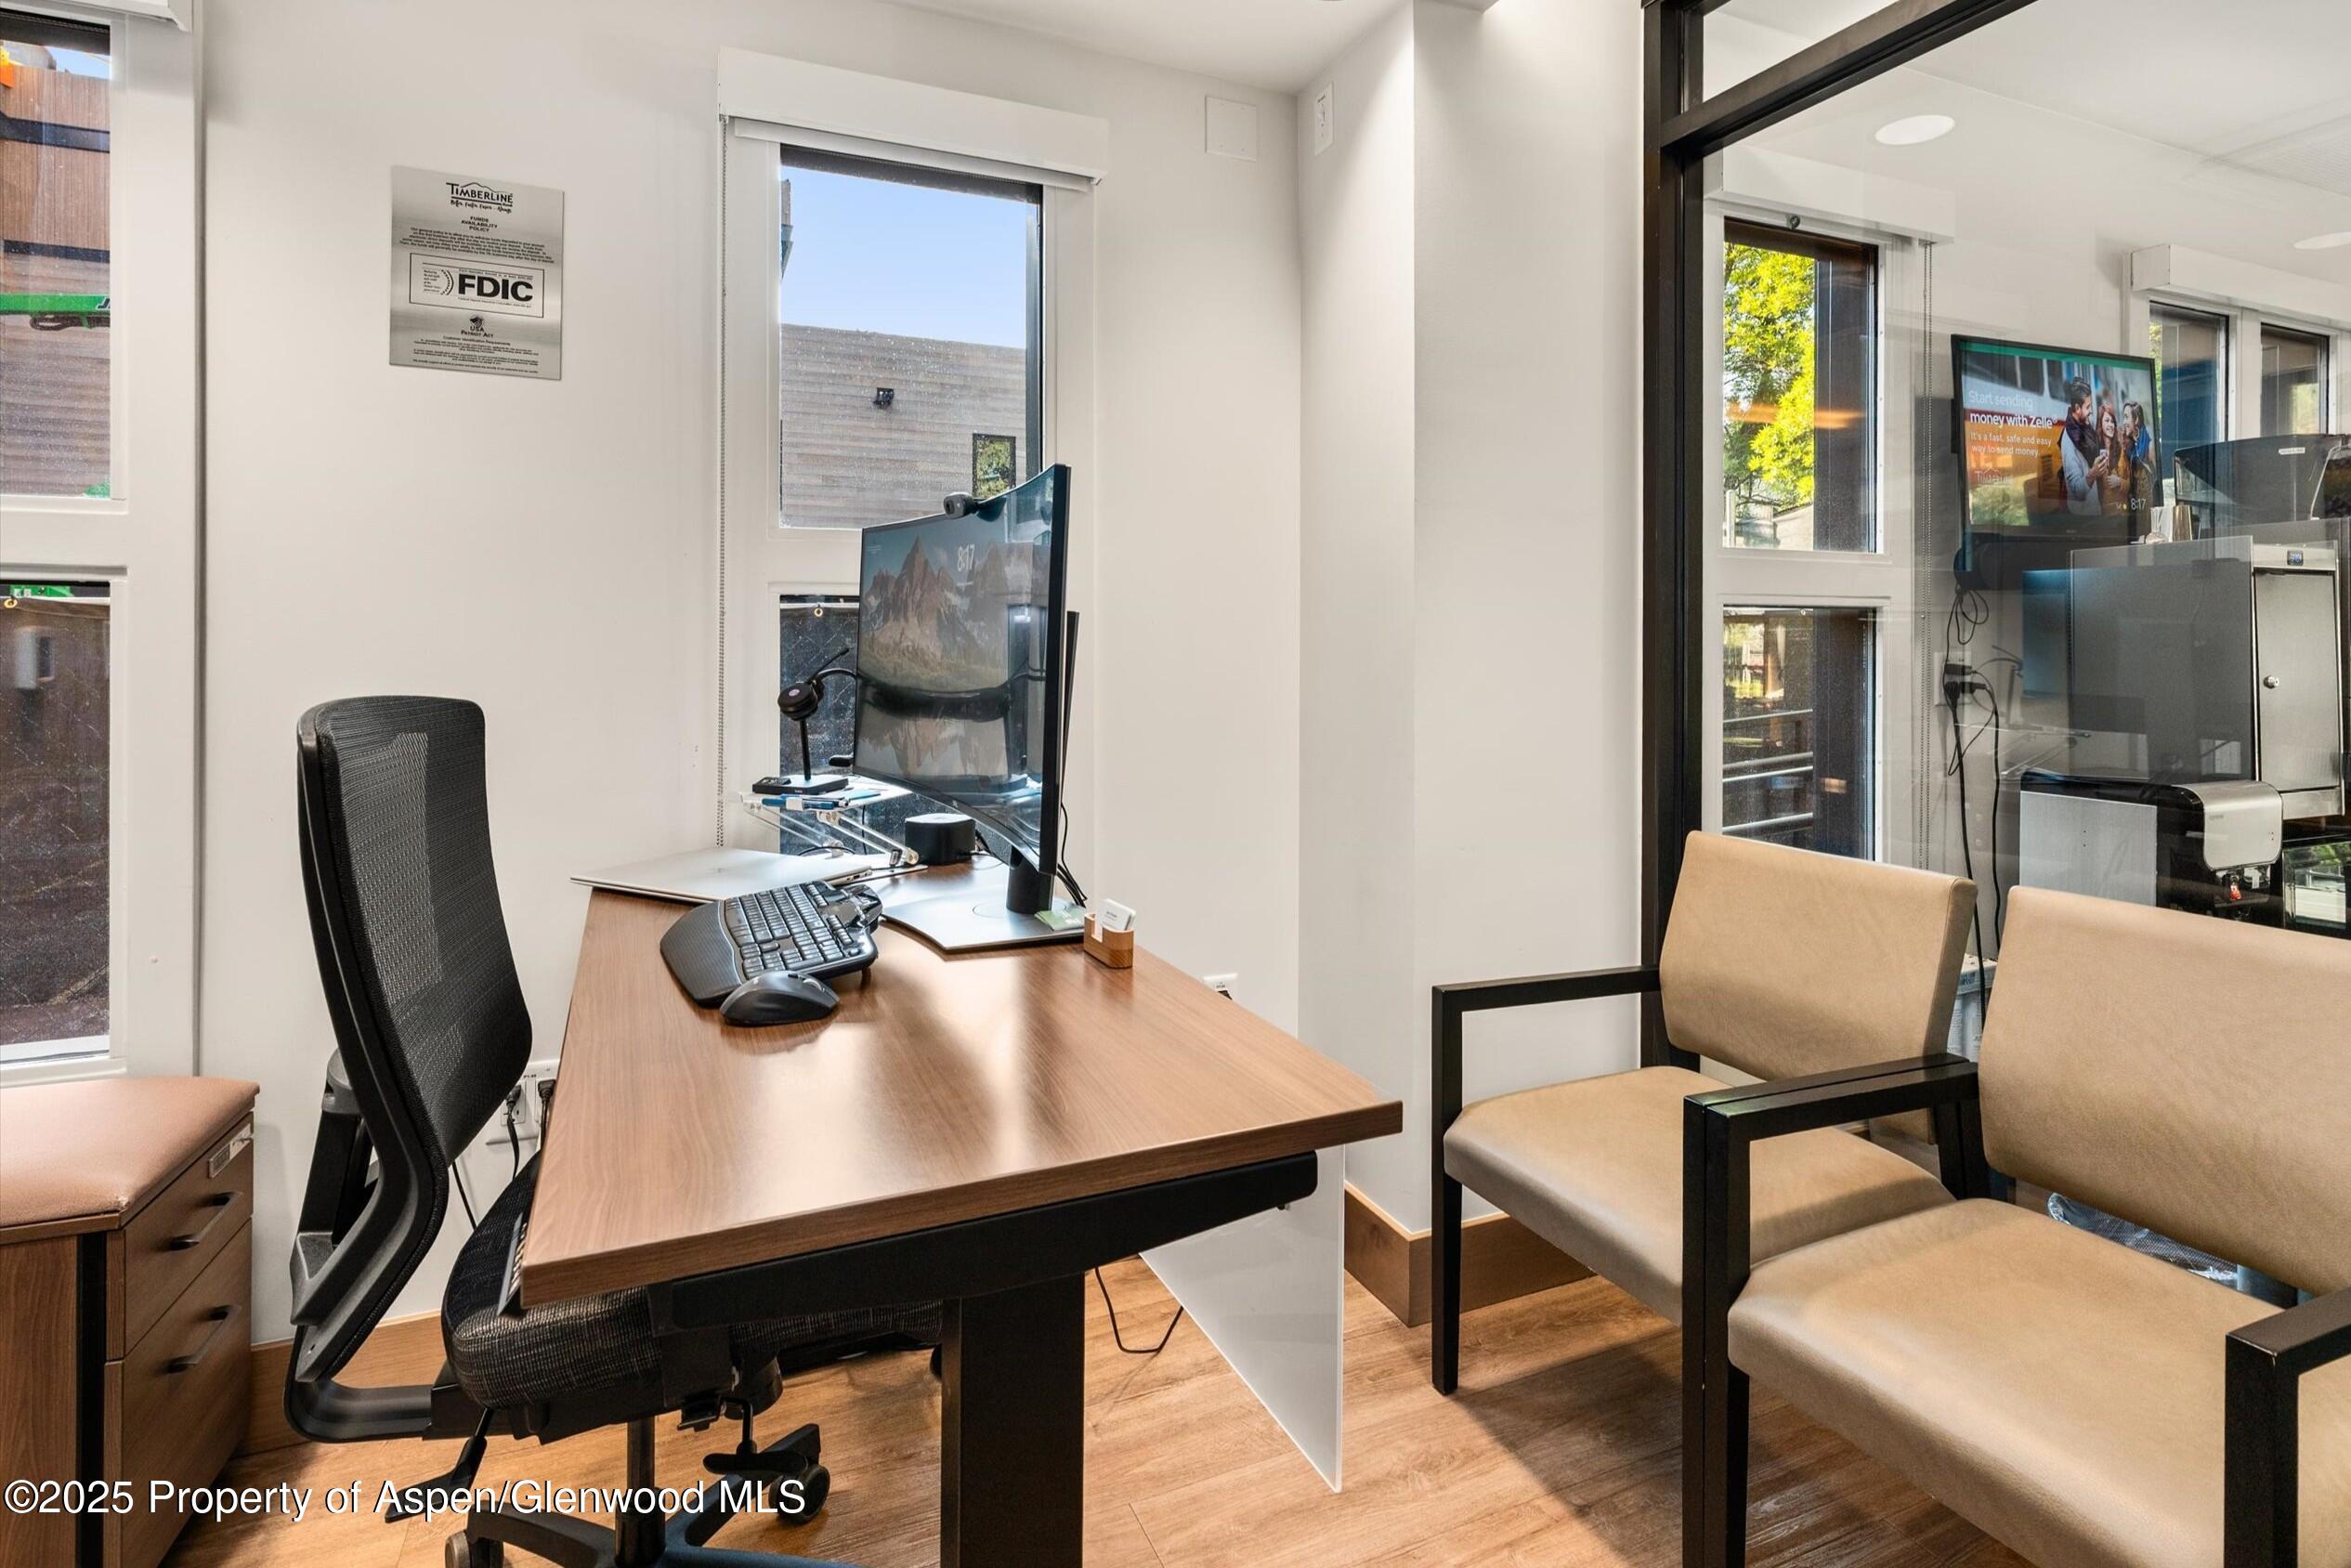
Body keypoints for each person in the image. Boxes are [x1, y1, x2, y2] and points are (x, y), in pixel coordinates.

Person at [2060, 377, 2111, 516]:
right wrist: (2093, 473)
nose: (2090, 411)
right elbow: (2077, 491)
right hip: (2082, 520)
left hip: (2096, 509)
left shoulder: (2087, 424)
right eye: (2088, 407)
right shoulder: (2068, 441)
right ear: (2077, 408)